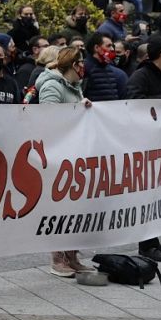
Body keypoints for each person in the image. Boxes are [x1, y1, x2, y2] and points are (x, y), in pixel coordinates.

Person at [34, 48, 96, 278]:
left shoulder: (75, 87)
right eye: (80, 62)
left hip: (74, 154)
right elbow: (49, 120)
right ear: (72, 64)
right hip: (57, 155)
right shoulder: (52, 86)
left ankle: (71, 256)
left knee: (74, 207)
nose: (83, 67)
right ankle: (57, 258)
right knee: (58, 208)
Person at [124, 36, 161, 259]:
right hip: (143, 144)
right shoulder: (141, 76)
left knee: (156, 194)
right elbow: (133, 102)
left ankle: (154, 240)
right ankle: (145, 246)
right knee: (146, 195)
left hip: (157, 144)